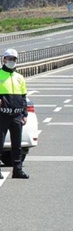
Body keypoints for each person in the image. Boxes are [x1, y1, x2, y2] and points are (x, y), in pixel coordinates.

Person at [0, 48, 29, 179]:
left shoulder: (20, 77)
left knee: (17, 145)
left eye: (14, 59)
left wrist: (25, 114)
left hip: (17, 115)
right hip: (2, 115)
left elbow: (23, 97)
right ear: (4, 59)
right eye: (9, 59)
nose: (11, 61)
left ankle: (17, 170)